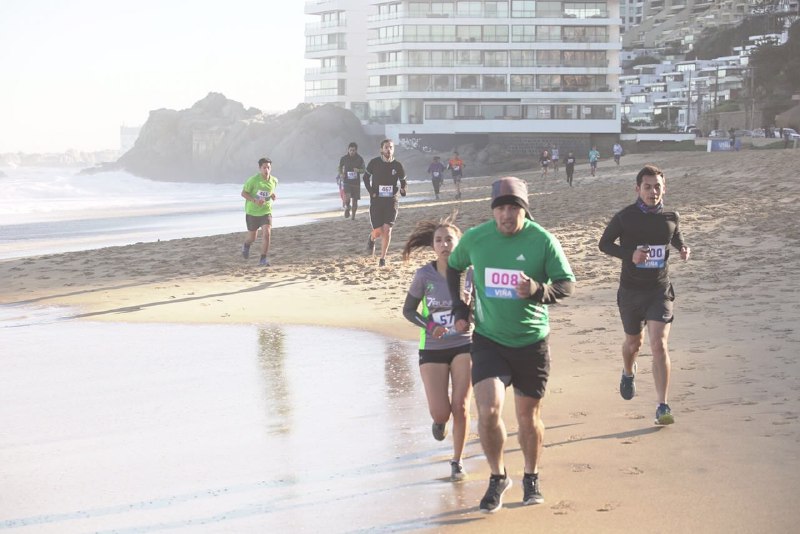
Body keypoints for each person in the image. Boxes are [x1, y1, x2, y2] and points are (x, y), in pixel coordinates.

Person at [446, 177, 576, 513]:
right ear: (493, 211)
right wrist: (460, 307)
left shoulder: (542, 241)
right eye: (500, 208)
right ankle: (498, 476)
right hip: (489, 340)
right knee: (487, 413)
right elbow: (453, 266)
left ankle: (531, 476)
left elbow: (566, 284)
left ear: (524, 209)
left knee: (527, 417)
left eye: (513, 207)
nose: (506, 214)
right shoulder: (476, 238)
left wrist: (538, 291)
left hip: (531, 342)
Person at [598, 164, 691, 426]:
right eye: (647, 187)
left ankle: (662, 405)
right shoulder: (625, 217)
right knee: (633, 344)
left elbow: (674, 235)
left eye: (657, 187)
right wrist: (631, 255)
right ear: (638, 189)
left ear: (664, 188)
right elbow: (603, 244)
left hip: (659, 290)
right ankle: (628, 372)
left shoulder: (671, 216)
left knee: (658, 344)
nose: (653, 192)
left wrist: (682, 247)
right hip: (630, 292)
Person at [402, 214, 474, 482]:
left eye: (449, 240)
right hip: (432, 347)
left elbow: (482, 307)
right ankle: (440, 421)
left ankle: (457, 461)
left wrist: (471, 318)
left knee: (462, 406)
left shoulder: (471, 273)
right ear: (433, 246)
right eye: (439, 240)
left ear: (459, 243)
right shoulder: (424, 275)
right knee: (442, 411)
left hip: (464, 344)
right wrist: (430, 326)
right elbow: (408, 310)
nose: (444, 244)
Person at [363, 139, 407, 267]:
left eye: (391, 147)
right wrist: (371, 191)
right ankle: (371, 239)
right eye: (386, 147)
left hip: (391, 201)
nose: (389, 150)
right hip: (377, 201)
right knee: (378, 231)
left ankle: (382, 258)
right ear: (381, 149)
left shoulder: (397, 165)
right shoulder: (374, 163)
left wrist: (403, 190)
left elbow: (403, 182)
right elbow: (365, 178)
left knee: (387, 230)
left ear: (393, 149)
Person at [241, 157, 278, 266]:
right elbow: (243, 193)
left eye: (268, 167)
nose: (266, 170)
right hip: (252, 212)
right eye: (264, 168)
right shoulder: (253, 180)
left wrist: (272, 195)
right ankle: (246, 245)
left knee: (267, 234)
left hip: (266, 211)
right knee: (252, 238)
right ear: (260, 168)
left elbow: (269, 191)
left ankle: (263, 259)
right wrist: (254, 200)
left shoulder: (274, 180)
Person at [339, 142, 365, 220]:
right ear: (348, 150)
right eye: (350, 150)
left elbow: (364, 170)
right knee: (347, 197)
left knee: (355, 201)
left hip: (356, 183)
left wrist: (358, 170)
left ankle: (353, 216)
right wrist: (341, 174)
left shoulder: (360, 159)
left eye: (353, 150)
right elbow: (340, 167)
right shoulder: (344, 158)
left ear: (356, 150)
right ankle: (347, 206)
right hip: (347, 181)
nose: (352, 152)